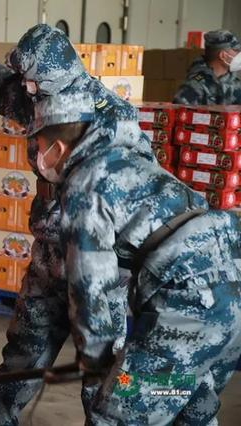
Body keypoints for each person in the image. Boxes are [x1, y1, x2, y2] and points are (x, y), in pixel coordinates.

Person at [0, 23, 147, 425]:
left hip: (98, 257)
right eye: (27, 81)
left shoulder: (113, 120)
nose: (28, 89)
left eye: (35, 82)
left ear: (58, 76)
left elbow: (139, 194)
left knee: (102, 358)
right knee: (26, 340)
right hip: (50, 247)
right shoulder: (43, 97)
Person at [31, 89, 241, 424]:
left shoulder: (84, 185)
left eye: (39, 147)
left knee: (117, 411)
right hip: (231, 277)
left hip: (190, 298)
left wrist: (96, 360)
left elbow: (90, 287)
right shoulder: (127, 156)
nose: (38, 158)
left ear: (56, 147)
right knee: (186, 399)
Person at [173, 29, 241, 105]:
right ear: (223, 55)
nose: (239, 54)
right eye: (236, 50)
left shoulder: (236, 83)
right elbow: (179, 110)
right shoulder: (195, 85)